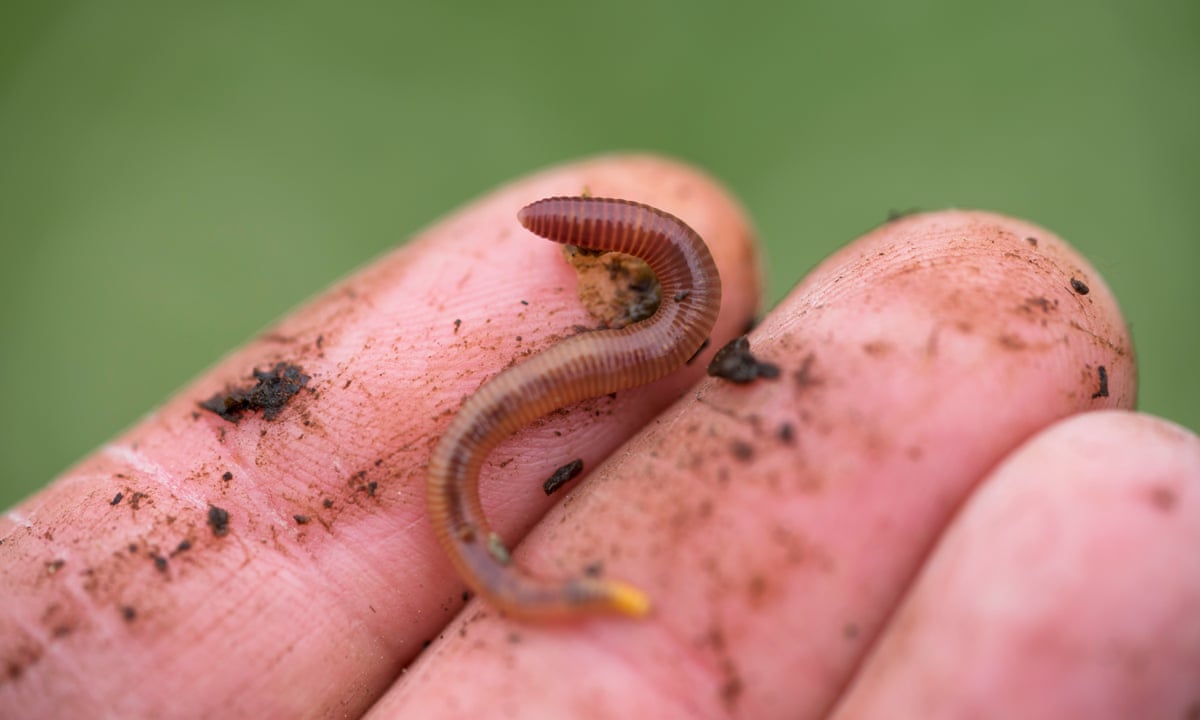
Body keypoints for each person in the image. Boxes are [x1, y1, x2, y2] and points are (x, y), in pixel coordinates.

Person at [2, 156, 1196, 719]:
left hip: (653, 337)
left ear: (605, 245)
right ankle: (545, 592)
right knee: (471, 443)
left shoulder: (668, 309)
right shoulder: (651, 302)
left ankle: (545, 593)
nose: (556, 233)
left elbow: (666, 305)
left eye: (569, 230)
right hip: (633, 347)